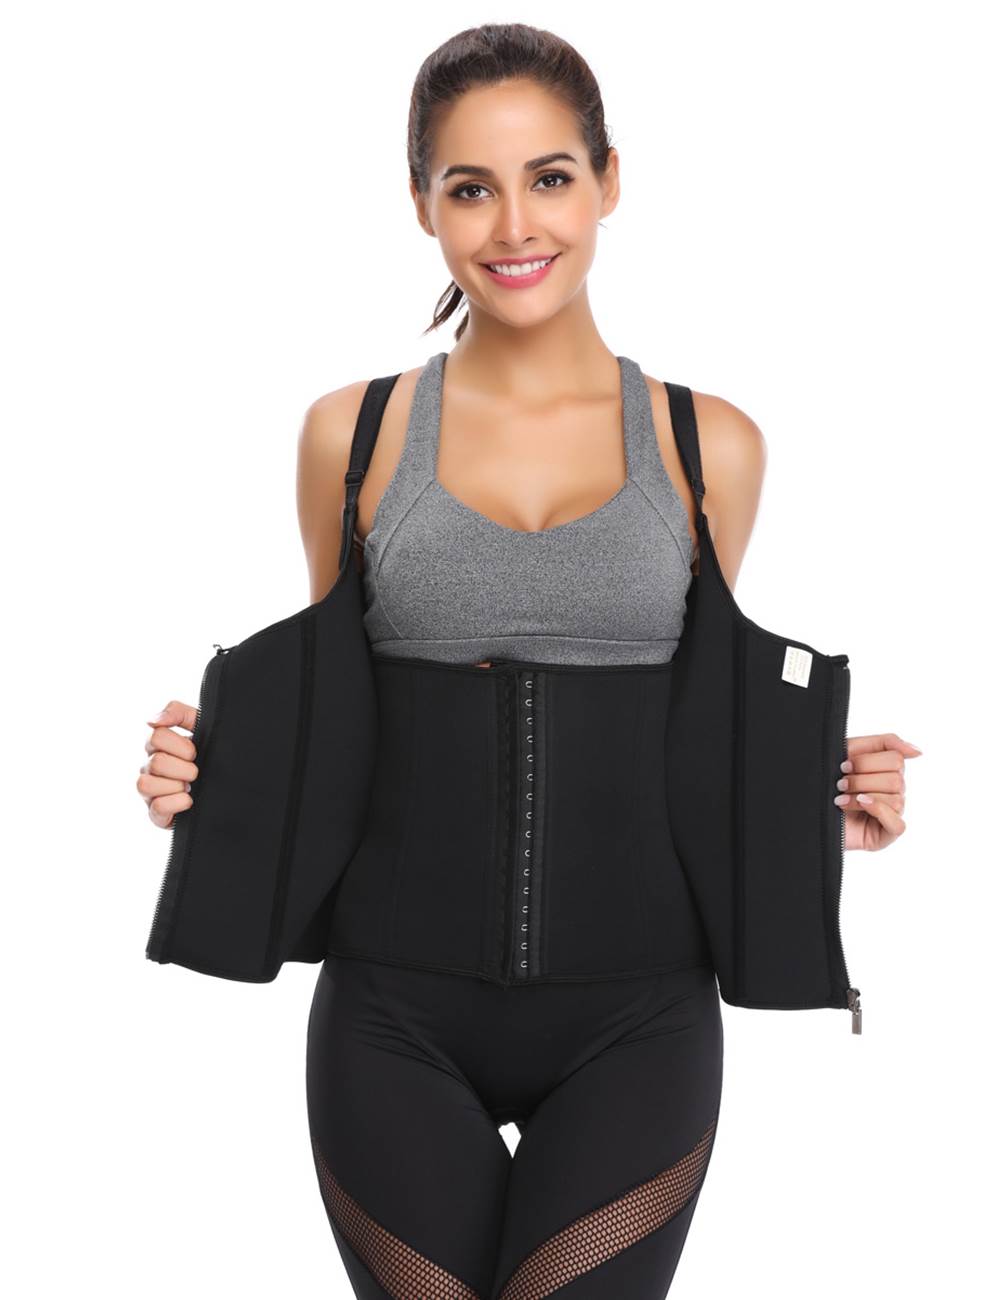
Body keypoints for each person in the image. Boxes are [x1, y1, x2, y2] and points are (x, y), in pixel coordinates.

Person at [138, 23, 917, 1299]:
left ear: (608, 180)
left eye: (549, 177)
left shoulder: (710, 445)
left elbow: (699, 720)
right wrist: (208, 780)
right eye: (470, 187)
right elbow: (330, 714)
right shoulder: (353, 435)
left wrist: (815, 807)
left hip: (641, 1021)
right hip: (390, 1019)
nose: (514, 225)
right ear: (421, 205)